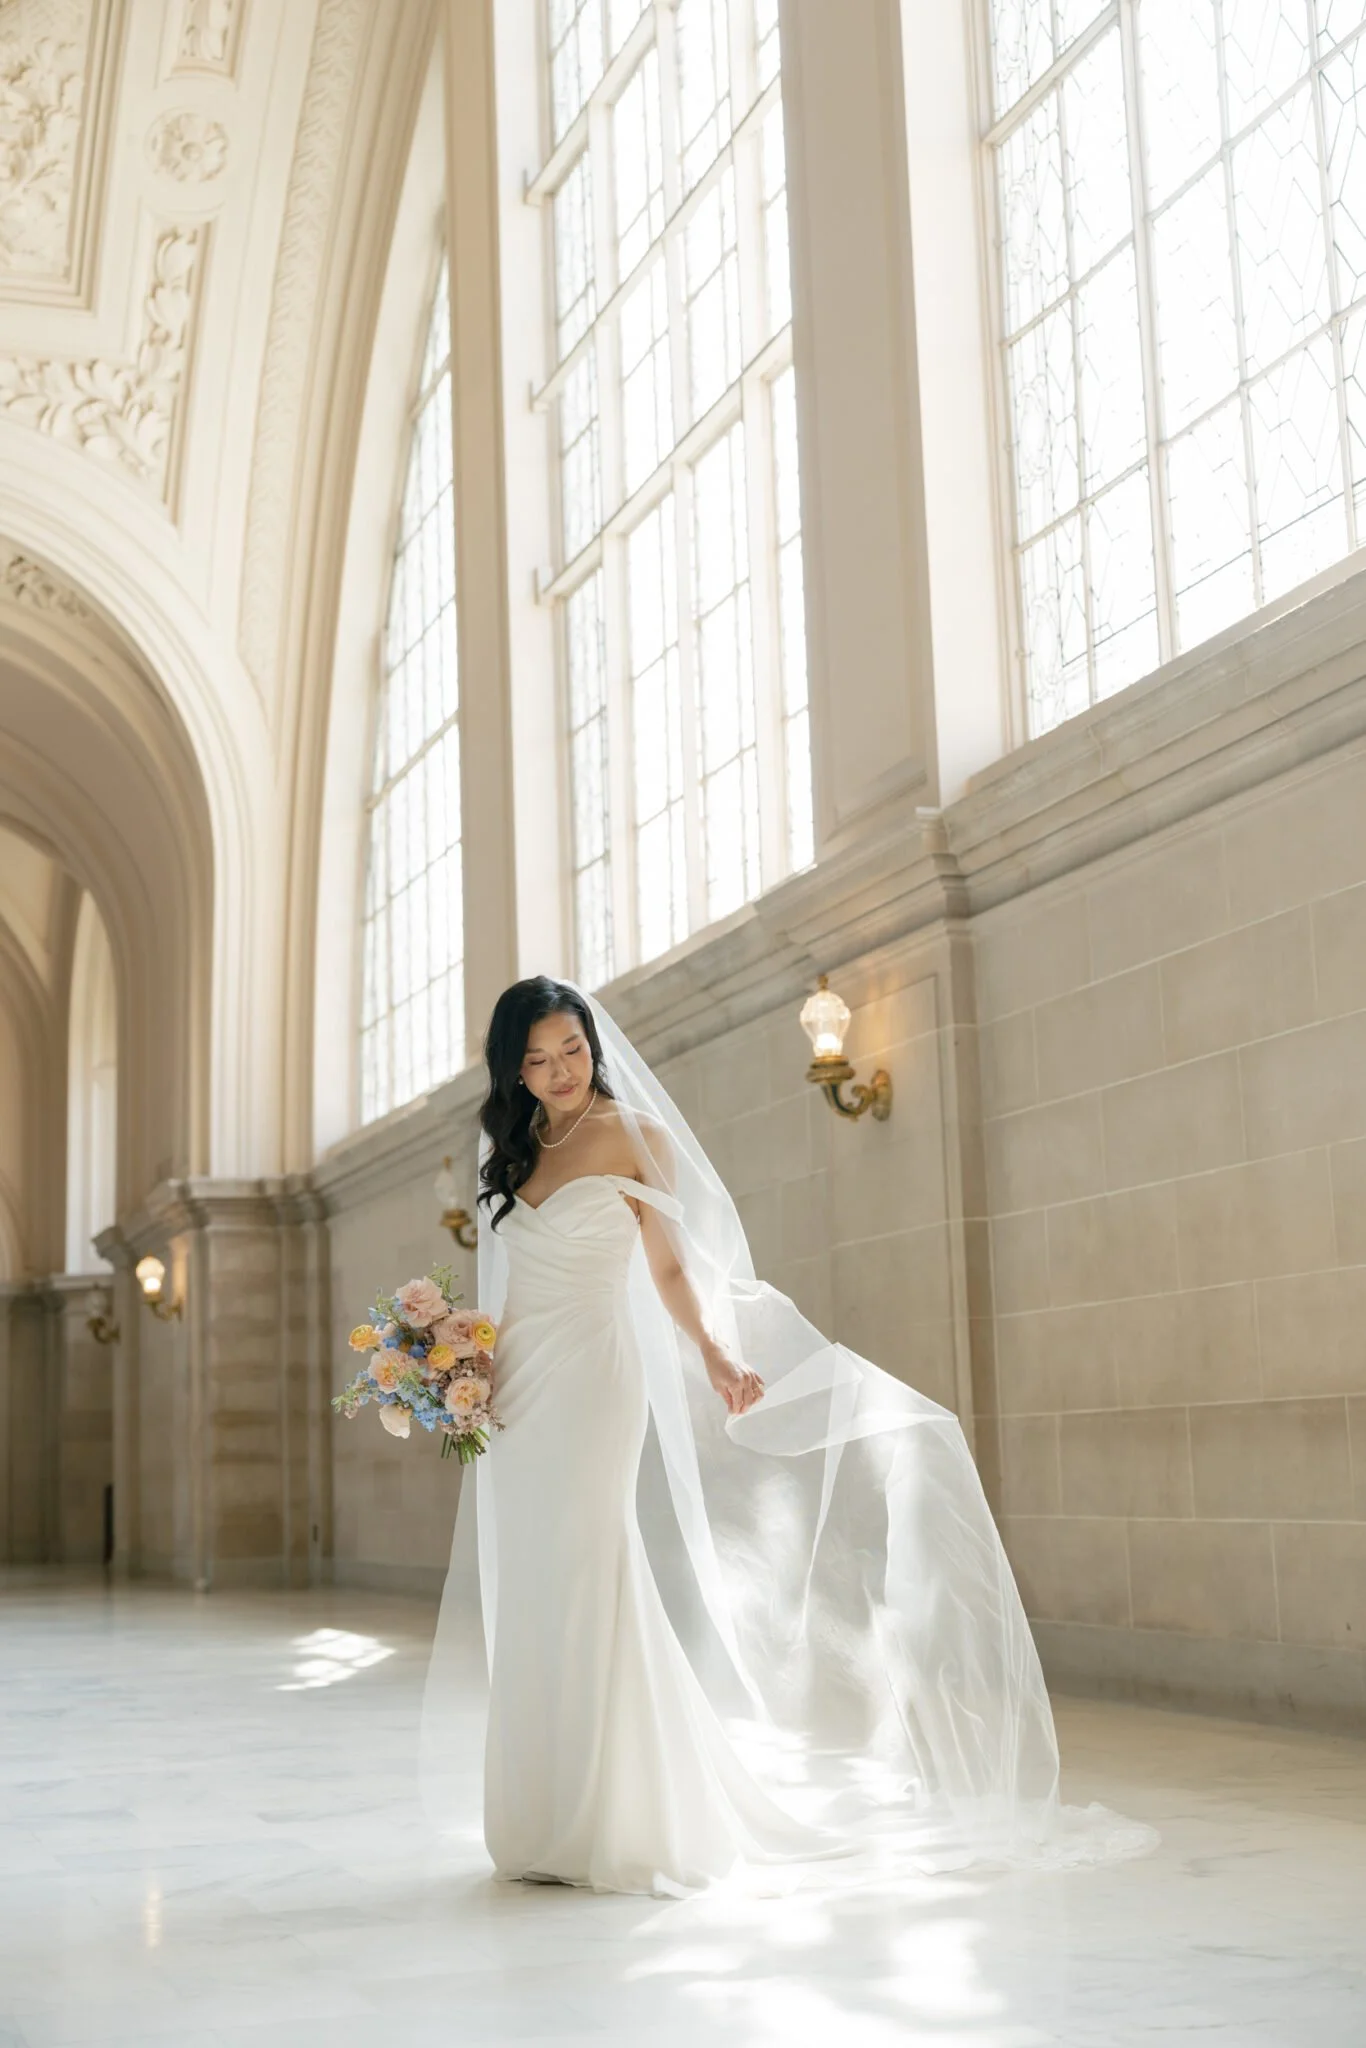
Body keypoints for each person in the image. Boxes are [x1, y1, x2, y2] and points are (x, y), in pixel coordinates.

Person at [422, 976, 1154, 1897]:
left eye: (571, 1049)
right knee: (531, 1583)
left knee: (588, 1570)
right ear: (512, 1070)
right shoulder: (516, 1147)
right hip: (515, 1394)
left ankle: (616, 1819)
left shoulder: (636, 1137)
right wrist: (469, 1366)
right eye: (536, 1059)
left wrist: (718, 1354)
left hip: (594, 1383)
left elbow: (672, 1269)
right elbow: (513, 1289)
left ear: (592, 1046)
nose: (559, 1070)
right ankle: (543, 1816)